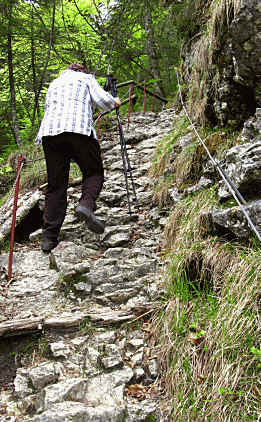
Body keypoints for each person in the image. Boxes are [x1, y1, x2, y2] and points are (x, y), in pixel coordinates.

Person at [35, 63, 121, 253]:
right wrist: (115, 100)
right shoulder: (86, 79)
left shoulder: (54, 83)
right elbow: (104, 102)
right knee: (93, 172)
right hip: (79, 130)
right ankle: (85, 205)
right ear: (82, 71)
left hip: (50, 133)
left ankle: (49, 238)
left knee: (56, 185)